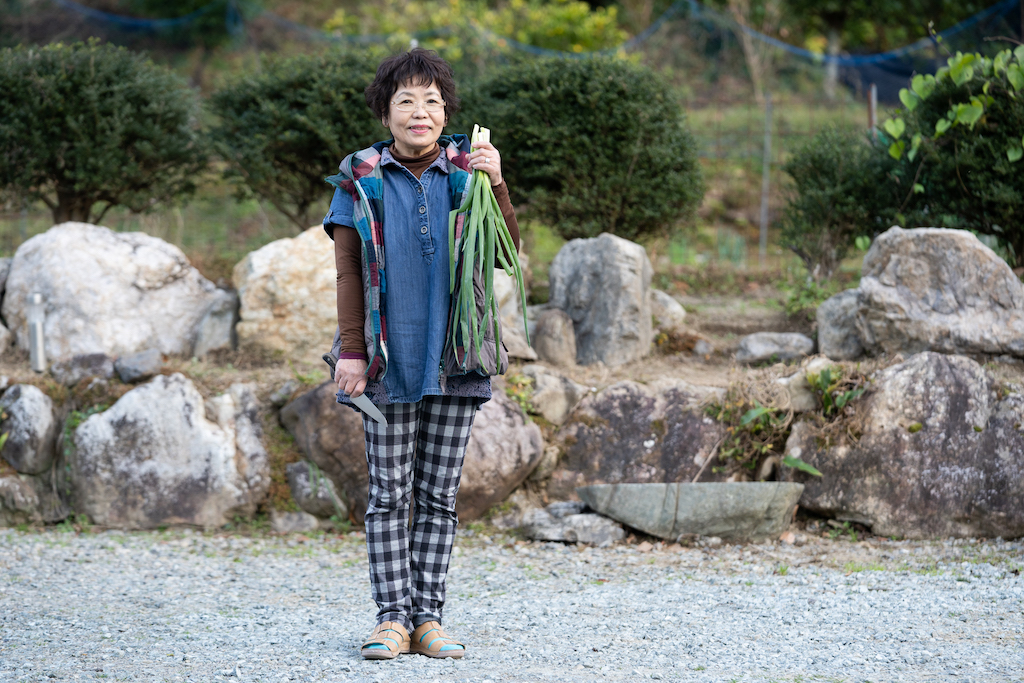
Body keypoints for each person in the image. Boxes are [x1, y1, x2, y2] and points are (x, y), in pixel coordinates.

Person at [321, 48, 519, 661]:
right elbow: (349, 272)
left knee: (438, 496)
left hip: (456, 355)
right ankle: (390, 620)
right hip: (386, 357)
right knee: (388, 494)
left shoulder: (469, 174)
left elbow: (506, 251)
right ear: (386, 112)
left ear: (445, 112)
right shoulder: (361, 176)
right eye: (405, 100)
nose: (420, 111)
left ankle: (428, 618)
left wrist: (497, 182)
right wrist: (352, 353)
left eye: (432, 101)